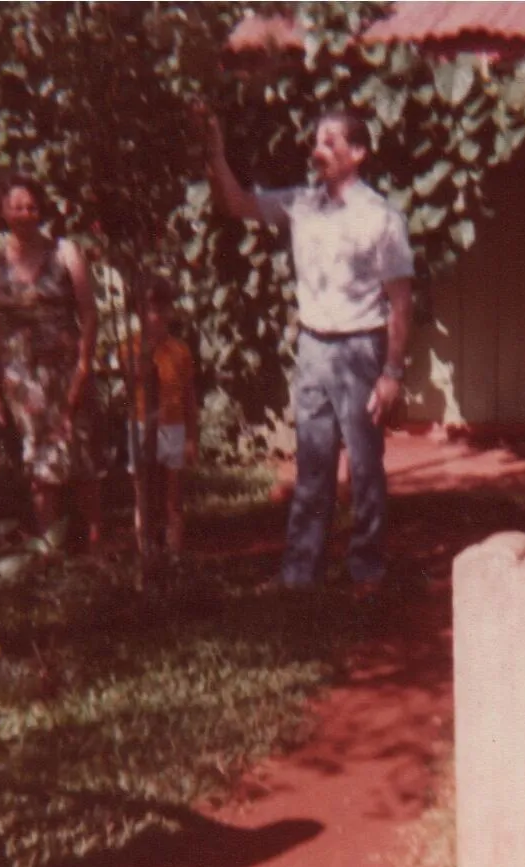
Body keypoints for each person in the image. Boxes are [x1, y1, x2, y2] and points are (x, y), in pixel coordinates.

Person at [196, 104, 414, 595]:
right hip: (314, 348)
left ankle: (367, 569)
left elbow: (401, 302)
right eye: (316, 141)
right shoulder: (302, 203)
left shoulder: (381, 218)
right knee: (312, 463)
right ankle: (300, 574)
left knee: (363, 465)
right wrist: (214, 151)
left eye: (331, 142)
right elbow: (236, 204)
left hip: (362, 349)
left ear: (358, 153)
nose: (318, 151)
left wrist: (392, 372)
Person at [0, 173, 102, 550]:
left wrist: (83, 368)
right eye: (16, 206)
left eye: (32, 206)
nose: (25, 214)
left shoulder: (65, 253)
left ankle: (96, 550)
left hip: (68, 375)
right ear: (1, 210)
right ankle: (53, 554)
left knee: (81, 463)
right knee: (39, 466)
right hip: (22, 382)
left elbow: (90, 314)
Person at [122, 277, 198, 557]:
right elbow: (130, 389)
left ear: (169, 311)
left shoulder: (180, 351)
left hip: (174, 427)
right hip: (141, 426)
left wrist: (192, 436)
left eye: (160, 309)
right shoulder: (128, 349)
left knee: (173, 496)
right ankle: (145, 551)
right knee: (142, 491)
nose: (154, 316)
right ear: (138, 312)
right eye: (148, 309)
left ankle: (174, 551)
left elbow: (189, 396)